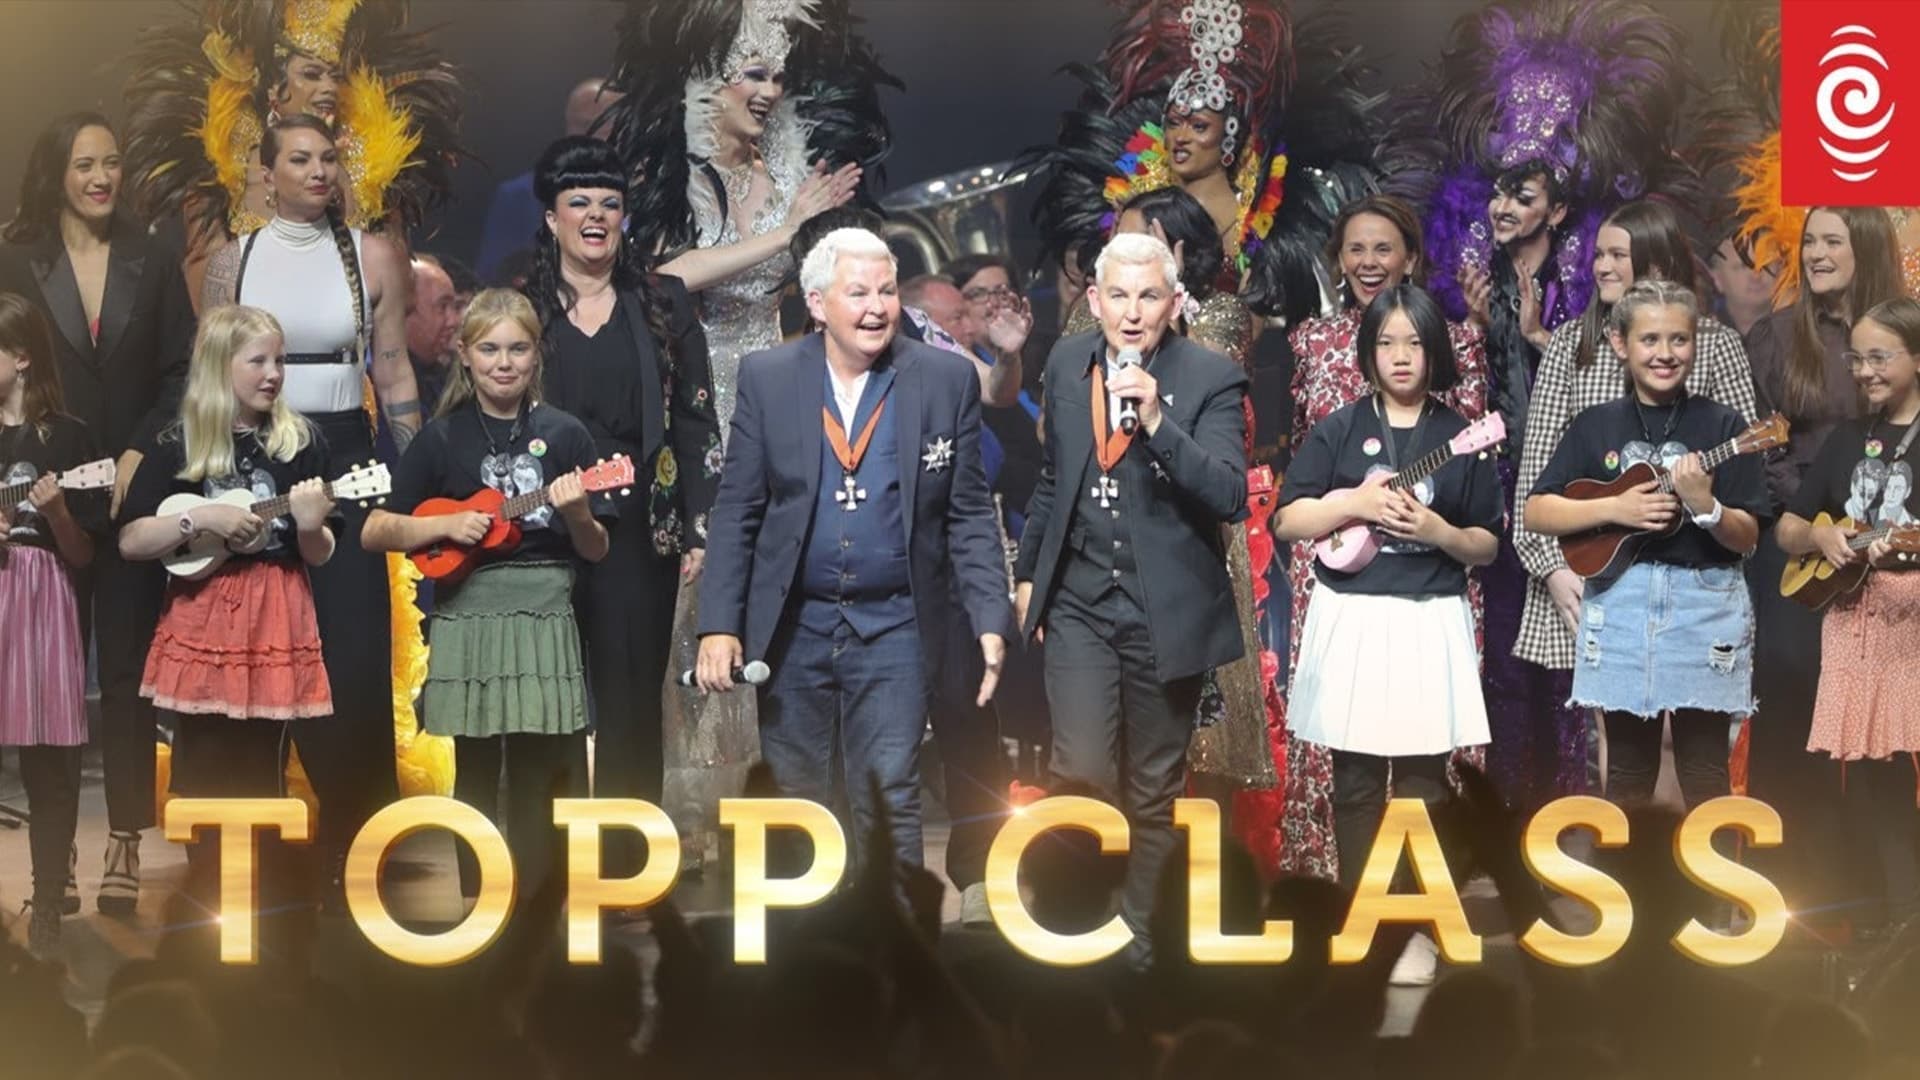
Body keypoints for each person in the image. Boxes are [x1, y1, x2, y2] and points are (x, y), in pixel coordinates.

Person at [600, 0, 894, 868]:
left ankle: (785, 798)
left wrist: (822, 234)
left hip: (785, 392)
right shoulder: (680, 177)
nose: (768, 91)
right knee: (705, 594)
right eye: (753, 75)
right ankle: (698, 815)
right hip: (700, 399)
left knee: (782, 586)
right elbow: (666, 278)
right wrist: (786, 228)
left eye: (777, 77)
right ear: (708, 82)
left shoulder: (793, 169)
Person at [695, 227, 1012, 871]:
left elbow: (969, 512)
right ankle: (804, 931)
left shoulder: (943, 378)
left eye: (887, 291)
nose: (877, 308)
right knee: (795, 801)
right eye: (859, 293)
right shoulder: (769, 377)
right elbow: (737, 510)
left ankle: (895, 926)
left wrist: (989, 615)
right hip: (796, 626)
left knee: (888, 790)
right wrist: (719, 624)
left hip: (897, 623)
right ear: (817, 303)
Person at [1014, 232, 1248, 965]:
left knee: (1151, 788)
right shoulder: (1065, 362)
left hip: (1164, 612)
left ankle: (1139, 939)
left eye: (1149, 296)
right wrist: (1029, 574)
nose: (1133, 312)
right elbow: (1053, 478)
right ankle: (1078, 920)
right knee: (1080, 773)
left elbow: (1229, 493)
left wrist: (1154, 421)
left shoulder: (1211, 376)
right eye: (1118, 295)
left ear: (1174, 304)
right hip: (1079, 603)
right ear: (1095, 300)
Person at [201, 114, 416, 906]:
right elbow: (207, 372)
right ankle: (252, 849)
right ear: (266, 173)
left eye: (328, 158)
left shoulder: (372, 254)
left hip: (346, 452)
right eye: (299, 159)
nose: (319, 171)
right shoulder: (234, 261)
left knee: (351, 651)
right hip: (256, 451)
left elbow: (393, 369)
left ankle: (362, 846)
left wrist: (412, 473)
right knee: (256, 638)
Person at [1273, 283, 1501, 985]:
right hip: (1353, 619)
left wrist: (1436, 530)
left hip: (1429, 617)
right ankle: (1359, 923)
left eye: (1414, 342)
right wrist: (1351, 502)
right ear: (1367, 352)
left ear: (1436, 351)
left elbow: (1487, 545)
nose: (1401, 356)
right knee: (1357, 783)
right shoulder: (1340, 428)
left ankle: (1415, 926)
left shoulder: (1459, 435)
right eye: (1386, 342)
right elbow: (1288, 519)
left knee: (1426, 786)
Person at [0, 112, 195, 916]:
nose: (101, 177)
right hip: (39, 504)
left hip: (128, 492)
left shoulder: (153, 257)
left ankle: (123, 838)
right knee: (44, 684)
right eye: (85, 164)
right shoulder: (18, 256)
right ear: (58, 172)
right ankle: (56, 863)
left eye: (111, 162)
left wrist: (141, 454)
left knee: (124, 672)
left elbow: (181, 370)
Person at [363, 289, 613, 901]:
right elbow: (376, 530)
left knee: (542, 763)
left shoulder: (566, 435)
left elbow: (596, 549)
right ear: (465, 354)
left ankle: (543, 895)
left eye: (518, 349)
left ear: (536, 356)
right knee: (474, 764)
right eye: (490, 349)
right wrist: (446, 525)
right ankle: (479, 898)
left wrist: (578, 513)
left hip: (544, 613)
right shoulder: (441, 439)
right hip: (467, 613)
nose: (504, 363)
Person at [1513, 200, 1758, 805]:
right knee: (1625, 771)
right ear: (1622, 345)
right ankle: (1634, 870)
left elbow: (1748, 530)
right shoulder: (1594, 419)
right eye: (1650, 339)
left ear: (1695, 343)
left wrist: (1705, 506)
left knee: (1704, 770)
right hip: (1618, 597)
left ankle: (1707, 870)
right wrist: (1614, 513)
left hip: (1703, 602)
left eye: (1679, 340)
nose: (1665, 352)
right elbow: (1536, 505)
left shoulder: (1723, 421)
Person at [524, 135, 719, 880]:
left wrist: (698, 525)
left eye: (610, 203)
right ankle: (552, 865)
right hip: (543, 527)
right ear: (552, 218)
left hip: (641, 526)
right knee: (550, 697)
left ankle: (627, 867)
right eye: (579, 202)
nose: (596, 216)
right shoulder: (523, 306)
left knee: (633, 699)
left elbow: (696, 418)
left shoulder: (662, 300)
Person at [116, 304, 336, 897]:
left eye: (280, 361)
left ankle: (264, 902)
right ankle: (209, 896)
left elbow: (318, 553)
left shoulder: (299, 443)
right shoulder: (176, 442)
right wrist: (202, 517)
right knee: (202, 764)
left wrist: (311, 524)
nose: (274, 374)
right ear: (220, 365)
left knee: (264, 766)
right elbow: (133, 540)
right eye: (258, 361)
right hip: (204, 616)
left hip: (274, 613)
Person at [1743, 206, 1902, 930]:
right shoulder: (1777, 337)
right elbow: (1761, 445)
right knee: (1792, 696)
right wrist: (1813, 519)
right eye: (1810, 241)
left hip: (1889, 549)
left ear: (1866, 247)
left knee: (1877, 723)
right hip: (1800, 548)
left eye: (1833, 240)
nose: (1816, 253)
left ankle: (1880, 902)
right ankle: (1789, 894)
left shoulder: (1901, 334)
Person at [123, 0, 461, 308]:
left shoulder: (373, 166)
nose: (328, 88)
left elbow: (401, 296)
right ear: (273, 87)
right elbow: (206, 291)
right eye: (311, 75)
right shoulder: (219, 165)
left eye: (335, 76)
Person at [1777, 297, 1920, 936]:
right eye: (1856, 359)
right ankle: (1890, 924)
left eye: (1879, 357)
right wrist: (1820, 537)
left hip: (1910, 633)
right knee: (1865, 783)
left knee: (1906, 777)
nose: (1864, 372)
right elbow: (1787, 527)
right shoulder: (1845, 439)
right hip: (1851, 633)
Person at [0, 294, 104, 956]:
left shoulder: (67, 440)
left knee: (47, 764)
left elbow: (85, 555)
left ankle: (46, 900)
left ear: (20, 358)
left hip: (41, 598)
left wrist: (59, 512)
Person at [475, 77, 623, 283]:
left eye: (604, 124)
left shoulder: (653, 195)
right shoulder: (520, 196)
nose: (592, 134)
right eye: (583, 124)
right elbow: (494, 278)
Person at [404, 256, 460, 410]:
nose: (454, 321)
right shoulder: (369, 385)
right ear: (404, 308)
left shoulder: (445, 381)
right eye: (443, 306)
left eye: (454, 307)